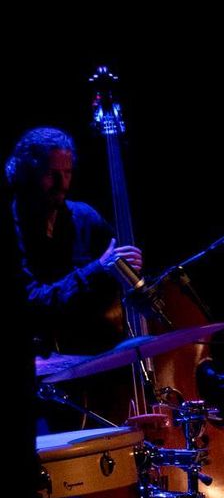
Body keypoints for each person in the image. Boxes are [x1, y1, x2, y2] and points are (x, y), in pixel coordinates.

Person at [8, 127, 143, 355]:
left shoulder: (85, 217)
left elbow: (124, 273)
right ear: (27, 174)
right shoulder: (12, 227)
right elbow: (32, 305)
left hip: (94, 354)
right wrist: (99, 268)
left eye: (68, 172)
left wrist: (134, 276)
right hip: (41, 360)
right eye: (52, 174)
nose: (63, 184)